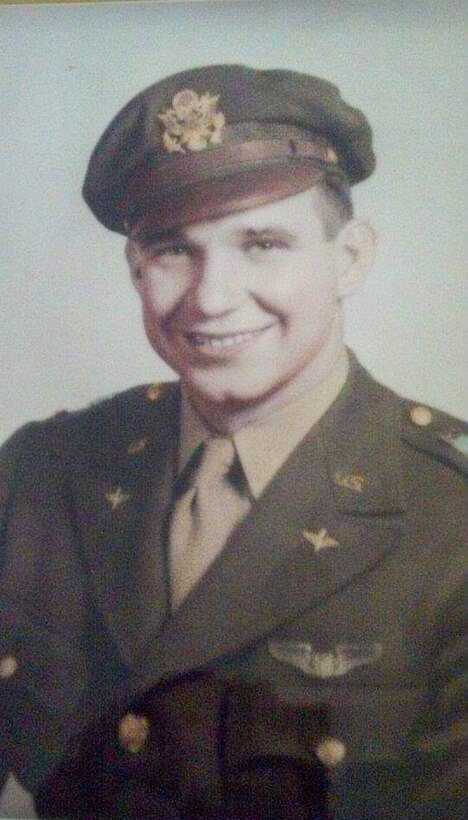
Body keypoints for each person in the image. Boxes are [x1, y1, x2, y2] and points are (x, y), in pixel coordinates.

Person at [0, 64, 465, 820]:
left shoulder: (452, 515)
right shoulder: (39, 474)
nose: (212, 299)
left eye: (262, 244)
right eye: (173, 250)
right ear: (134, 268)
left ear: (349, 258)